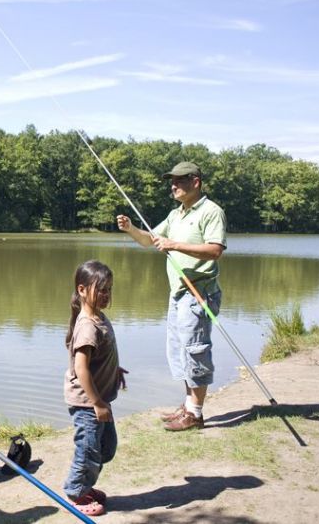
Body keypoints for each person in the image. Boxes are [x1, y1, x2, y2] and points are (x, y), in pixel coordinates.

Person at [116, 161, 226, 432]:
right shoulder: (176, 214)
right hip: (178, 293)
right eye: (172, 181)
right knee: (180, 350)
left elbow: (214, 250)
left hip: (198, 291)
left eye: (179, 180)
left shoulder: (212, 212)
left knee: (195, 350)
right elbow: (149, 240)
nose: (173, 185)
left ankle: (196, 413)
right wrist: (131, 228)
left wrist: (174, 244)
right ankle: (189, 404)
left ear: (196, 182)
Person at [62, 260, 126, 517]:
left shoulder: (98, 317)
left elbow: (102, 355)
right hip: (87, 403)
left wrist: (115, 370)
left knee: (106, 448)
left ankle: (84, 485)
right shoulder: (87, 325)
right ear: (81, 289)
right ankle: (75, 494)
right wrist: (97, 404)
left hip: (100, 399)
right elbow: (81, 369)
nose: (106, 295)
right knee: (88, 451)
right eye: (101, 289)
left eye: (109, 289)